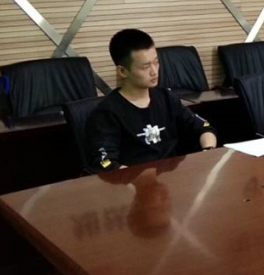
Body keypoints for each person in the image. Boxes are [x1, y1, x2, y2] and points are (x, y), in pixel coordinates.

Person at [87, 29, 216, 171]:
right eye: (146, 67)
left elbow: (203, 127)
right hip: (134, 181)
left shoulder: (166, 97)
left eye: (156, 62)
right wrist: (136, 178)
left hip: (173, 177)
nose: (154, 71)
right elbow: (105, 162)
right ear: (123, 71)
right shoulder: (107, 112)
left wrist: (208, 151)